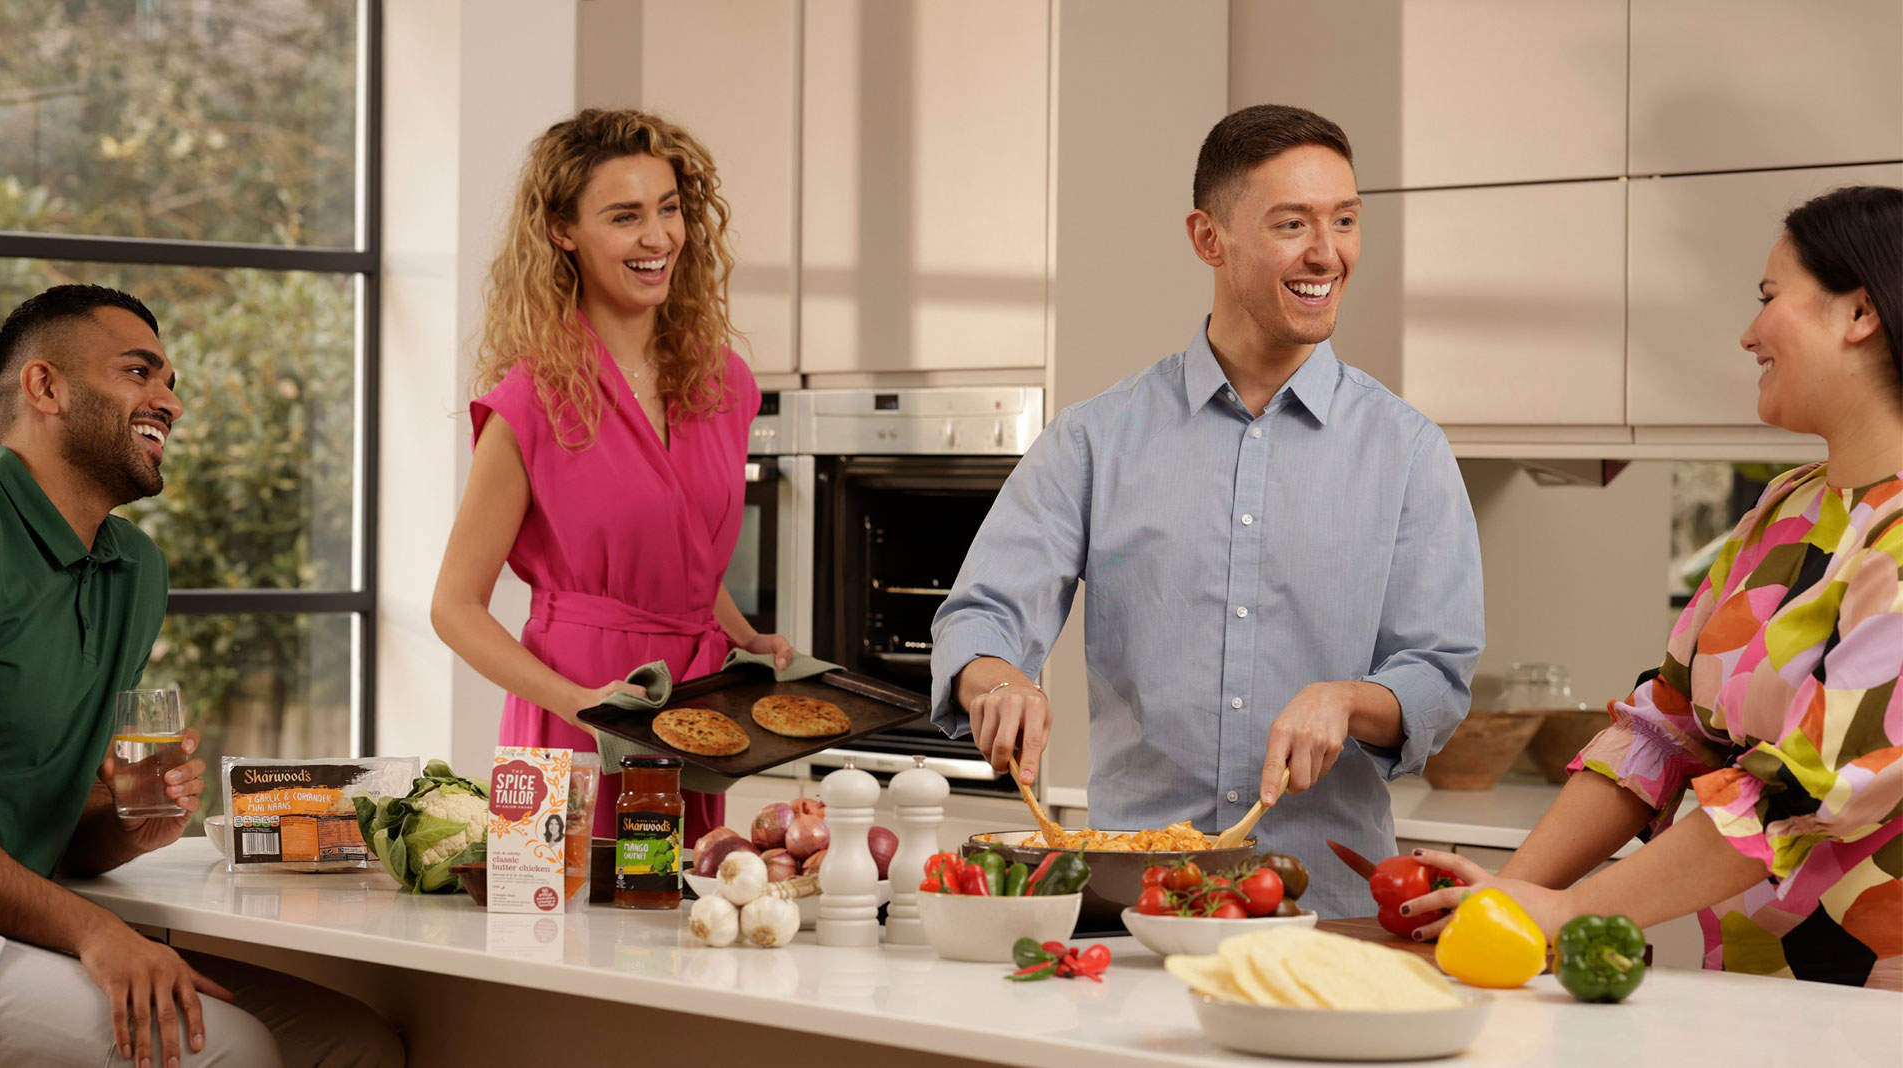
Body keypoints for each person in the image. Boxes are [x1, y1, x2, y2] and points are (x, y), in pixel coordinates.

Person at [929, 105, 1484, 918]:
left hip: (1329, 913)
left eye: (1345, 220)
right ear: (1208, 238)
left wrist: (1346, 699)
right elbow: (981, 616)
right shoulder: (1095, 439)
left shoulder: (1407, 451)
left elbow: (1437, 674)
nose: (1326, 253)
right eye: (1292, 223)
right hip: (1133, 908)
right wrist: (998, 677)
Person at [1400, 186, 1903, 989]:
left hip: (1870, 1005)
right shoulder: (1786, 507)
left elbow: (1804, 790)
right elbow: (1662, 729)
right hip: (1745, 991)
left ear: (1860, 313)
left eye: (1770, 299)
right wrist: (1513, 894)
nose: (1748, 334)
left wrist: (1565, 911)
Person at [0, 285, 404, 1065]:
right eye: (140, 372)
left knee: (356, 1043)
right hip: (12, 933)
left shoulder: (134, 569)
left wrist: (129, 825)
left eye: (171, 381)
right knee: (230, 1053)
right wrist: (96, 932)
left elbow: (67, 835)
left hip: (22, 917)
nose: (169, 401)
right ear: (46, 387)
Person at [431, 108, 793, 842]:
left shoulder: (723, 383)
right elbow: (454, 607)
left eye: (668, 210)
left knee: (687, 938)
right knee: (557, 940)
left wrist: (739, 633)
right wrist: (580, 703)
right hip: (575, 724)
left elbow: (678, 548)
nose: (657, 238)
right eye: (625, 217)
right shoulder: (531, 402)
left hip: (693, 715)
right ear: (563, 231)